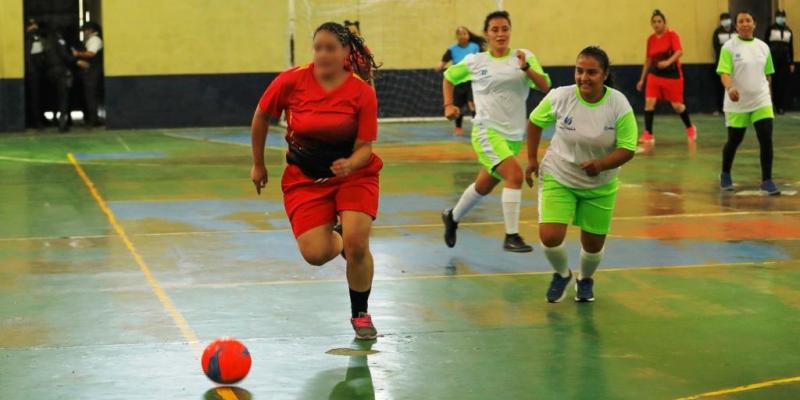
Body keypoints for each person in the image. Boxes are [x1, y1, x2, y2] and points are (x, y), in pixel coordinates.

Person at [250, 22, 382, 340]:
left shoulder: (362, 93)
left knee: (358, 243)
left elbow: (365, 148)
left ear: (345, 53)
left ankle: (360, 313)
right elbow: (260, 117)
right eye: (318, 47)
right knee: (315, 253)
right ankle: (339, 240)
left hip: (354, 176)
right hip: (304, 179)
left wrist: (350, 163)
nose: (323, 53)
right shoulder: (292, 80)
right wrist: (258, 164)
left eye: (330, 48)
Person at [527, 46, 637, 303]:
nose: (583, 78)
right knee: (550, 237)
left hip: (600, 183)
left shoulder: (618, 104)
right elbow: (534, 122)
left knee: (593, 245)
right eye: (579, 71)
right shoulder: (560, 97)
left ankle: (585, 279)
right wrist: (532, 160)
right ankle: (561, 274)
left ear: (604, 74)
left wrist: (600, 165)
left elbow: (628, 148)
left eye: (592, 72)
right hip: (559, 174)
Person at [440, 10, 551, 253]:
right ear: (487, 34)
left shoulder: (524, 57)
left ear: (510, 31)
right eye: (495, 30)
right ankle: (511, 235)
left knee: (484, 185)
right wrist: (449, 104)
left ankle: (453, 216)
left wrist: (527, 69)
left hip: (513, 136)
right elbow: (448, 77)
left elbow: (545, 86)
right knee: (514, 175)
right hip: (486, 131)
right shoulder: (475, 61)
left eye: (505, 29)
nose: (500, 34)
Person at [718, 11, 780, 195]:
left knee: (766, 138)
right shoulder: (729, 47)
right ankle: (725, 173)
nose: (745, 24)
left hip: (761, 100)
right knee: (734, 140)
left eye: (748, 20)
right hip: (737, 102)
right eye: (741, 21)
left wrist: (769, 96)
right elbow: (724, 73)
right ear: (736, 26)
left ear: (754, 24)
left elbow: (768, 75)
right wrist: (730, 89)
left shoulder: (763, 47)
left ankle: (767, 180)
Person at [636, 9, 696, 145]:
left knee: (677, 106)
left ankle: (690, 128)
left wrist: (668, 62)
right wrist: (642, 78)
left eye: (659, 21)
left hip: (672, 75)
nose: (656, 24)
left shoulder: (672, 35)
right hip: (655, 74)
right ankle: (648, 133)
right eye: (654, 22)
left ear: (664, 23)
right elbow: (648, 60)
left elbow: (679, 51)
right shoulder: (650, 39)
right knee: (649, 102)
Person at [436, 26, 485, 135]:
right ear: (456, 37)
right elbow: (444, 60)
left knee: (473, 103)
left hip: (472, 80)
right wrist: (440, 65)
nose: (462, 36)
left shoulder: (474, 47)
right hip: (458, 82)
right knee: (457, 106)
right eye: (460, 34)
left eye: (464, 33)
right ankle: (458, 127)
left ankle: (478, 126)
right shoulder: (452, 49)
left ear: (468, 35)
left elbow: (483, 59)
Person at [39, 23, 83, 132]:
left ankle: (54, 119)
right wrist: (76, 59)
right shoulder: (60, 41)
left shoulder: (46, 43)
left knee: (53, 97)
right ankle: (62, 124)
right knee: (63, 98)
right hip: (61, 72)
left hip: (50, 73)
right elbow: (65, 56)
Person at [73, 21, 103, 127]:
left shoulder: (94, 40)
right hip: (92, 72)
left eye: (85, 30)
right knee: (90, 96)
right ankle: (92, 119)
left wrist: (77, 54)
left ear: (90, 30)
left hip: (93, 72)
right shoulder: (91, 40)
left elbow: (91, 53)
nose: (84, 32)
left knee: (90, 96)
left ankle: (92, 120)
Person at [766, 10, 794, 114]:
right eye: (779, 16)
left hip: (784, 61)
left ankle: (781, 106)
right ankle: (773, 104)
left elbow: (791, 47)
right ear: (776, 17)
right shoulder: (770, 29)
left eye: (782, 16)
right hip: (773, 60)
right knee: (774, 83)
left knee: (783, 83)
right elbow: (766, 45)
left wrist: (791, 62)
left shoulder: (788, 31)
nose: (781, 18)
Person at [24, 18, 46, 129]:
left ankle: (39, 119)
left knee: (39, 96)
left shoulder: (38, 38)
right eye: (31, 25)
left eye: (35, 25)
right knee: (34, 97)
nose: (34, 27)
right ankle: (35, 121)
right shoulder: (28, 39)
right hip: (33, 72)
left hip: (38, 71)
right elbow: (28, 56)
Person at [713, 13, 736, 115]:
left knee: (734, 84)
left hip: (735, 62)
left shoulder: (736, 31)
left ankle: (735, 106)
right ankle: (720, 108)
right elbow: (715, 47)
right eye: (723, 19)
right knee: (720, 86)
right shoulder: (717, 32)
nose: (725, 21)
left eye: (727, 19)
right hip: (722, 62)